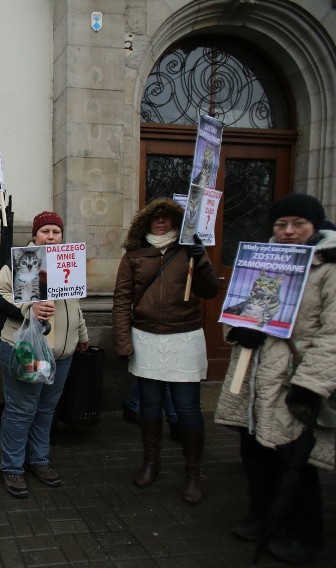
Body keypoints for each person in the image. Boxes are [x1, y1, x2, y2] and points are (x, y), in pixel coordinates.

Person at [215, 193, 336, 564]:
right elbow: (245, 305)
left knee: (295, 458)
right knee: (254, 449)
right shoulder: (265, 259)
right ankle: (262, 515)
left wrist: (312, 386)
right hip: (254, 374)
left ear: (315, 225)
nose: (288, 231)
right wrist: (240, 330)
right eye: (281, 224)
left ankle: (305, 534)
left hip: (297, 378)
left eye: (298, 224)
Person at [112, 197, 218, 504]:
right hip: (145, 337)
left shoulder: (189, 250)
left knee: (187, 409)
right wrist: (122, 339)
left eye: (167, 217)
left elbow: (209, 291)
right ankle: (151, 462)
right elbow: (121, 300)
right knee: (149, 405)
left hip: (184, 336)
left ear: (175, 221)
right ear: (146, 222)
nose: (161, 221)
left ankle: (193, 473)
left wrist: (202, 260)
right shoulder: (134, 254)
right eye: (155, 217)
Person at [0, 211, 90, 498]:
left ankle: (39, 460)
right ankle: (12, 467)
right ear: (35, 235)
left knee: (46, 410)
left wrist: (82, 335)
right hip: (26, 350)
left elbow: (75, 306)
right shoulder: (22, 262)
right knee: (21, 411)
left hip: (63, 353)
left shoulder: (68, 262)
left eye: (55, 231)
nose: (50, 236)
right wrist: (27, 309)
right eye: (45, 231)